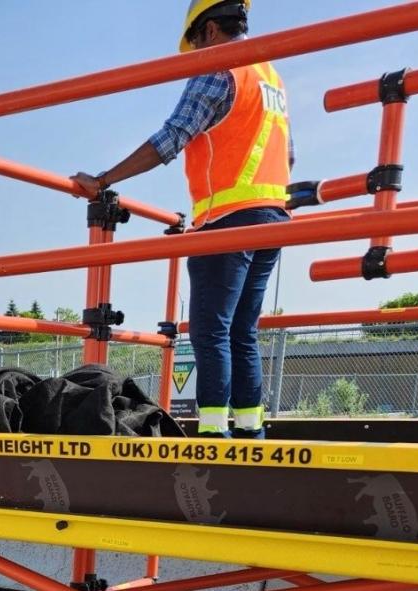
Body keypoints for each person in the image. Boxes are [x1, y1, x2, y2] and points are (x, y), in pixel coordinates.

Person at [72, 0, 293, 439]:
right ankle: (250, 431)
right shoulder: (271, 77)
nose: (194, 55)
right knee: (242, 331)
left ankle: (212, 435)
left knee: (211, 329)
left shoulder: (221, 67)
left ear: (209, 31)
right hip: (273, 216)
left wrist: (104, 179)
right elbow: (286, 154)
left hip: (228, 218)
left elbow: (173, 136)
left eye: (194, 44)